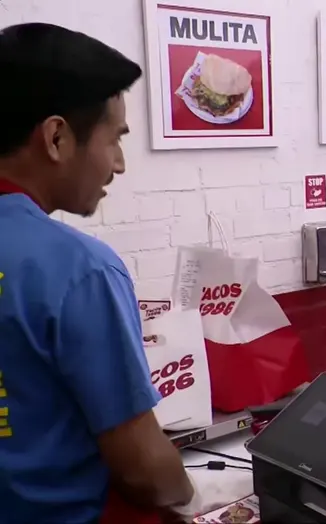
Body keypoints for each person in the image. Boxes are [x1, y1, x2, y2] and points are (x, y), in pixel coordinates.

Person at [0, 23, 196, 523]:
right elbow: (144, 471)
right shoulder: (80, 270)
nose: (120, 165)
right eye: (116, 140)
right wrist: (192, 491)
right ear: (57, 137)